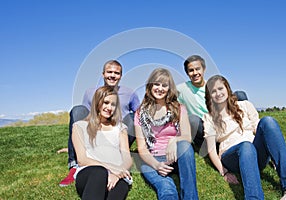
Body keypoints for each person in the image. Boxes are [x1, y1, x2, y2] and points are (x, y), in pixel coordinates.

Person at [203, 75, 286, 200]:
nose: (218, 93)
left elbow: (260, 129)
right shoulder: (209, 117)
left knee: (268, 121)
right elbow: (211, 150)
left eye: (220, 88)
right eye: (213, 91)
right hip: (232, 156)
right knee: (246, 146)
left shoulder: (244, 105)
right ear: (209, 95)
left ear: (227, 88)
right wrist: (223, 171)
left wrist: (272, 152)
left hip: (256, 153)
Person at [59, 60, 140, 186]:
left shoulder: (130, 93)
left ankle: (121, 154)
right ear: (103, 74)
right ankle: (74, 165)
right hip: (97, 133)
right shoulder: (90, 92)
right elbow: (85, 117)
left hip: (118, 134)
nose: (112, 75)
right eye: (109, 72)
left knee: (135, 116)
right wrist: (77, 143)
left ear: (121, 76)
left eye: (116, 73)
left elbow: (141, 117)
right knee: (77, 110)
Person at [134, 68, 199, 200]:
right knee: (167, 189)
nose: (160, 88)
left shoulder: (179, 108)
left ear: (169, 88)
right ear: (150, 86)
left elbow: (187, 137)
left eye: (164, 85)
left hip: (176, 155)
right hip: (154, 158)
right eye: (156, 84)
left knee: (185, 146)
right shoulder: (140, 113)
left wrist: (173, 141)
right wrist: (156, 165)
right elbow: (141, 147)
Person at [177, 55, 248, 154]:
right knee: (192, 119)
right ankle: (207, 146)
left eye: (198, 69)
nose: (195, 73)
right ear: (187, 73)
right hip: (204, 129)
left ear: (204, 69)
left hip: (219, 121)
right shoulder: (181, 89)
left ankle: (244, 132)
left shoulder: (212, 86)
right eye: (191, 70)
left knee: (240, 95)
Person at [72, 85, 133, 199]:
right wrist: (109, 169)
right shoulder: (79, 127)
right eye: (106, 102)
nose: (109, 107)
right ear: (97, 103)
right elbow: (82, 160)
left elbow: (127, 158)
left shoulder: (121, 128)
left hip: (117, 176)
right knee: (99, 172)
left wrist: (117, 174)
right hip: (90, 172)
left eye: (113, 104)